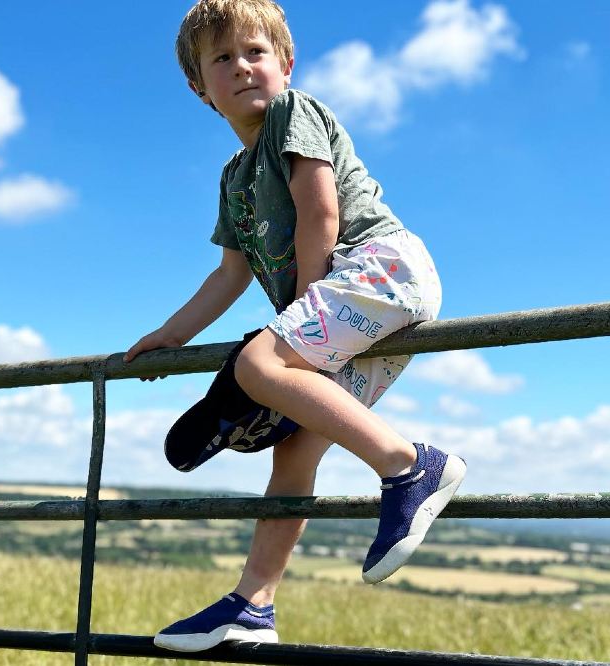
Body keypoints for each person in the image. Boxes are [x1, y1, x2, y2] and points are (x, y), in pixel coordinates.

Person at [123, 0, 466, 652]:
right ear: (201, 89)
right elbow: (229, 276)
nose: (243, 67)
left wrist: (299, 313)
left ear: (285, 63)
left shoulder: (292, 112)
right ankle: (252, 606)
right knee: (295, 453)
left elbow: (321, 215)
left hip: (378, 268)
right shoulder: (233, 180)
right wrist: (172, 333)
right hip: (351, 296)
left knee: (258, 365)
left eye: (255, 52)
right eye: (222, 59)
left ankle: (410, 466)